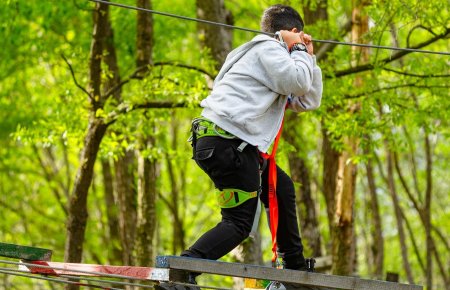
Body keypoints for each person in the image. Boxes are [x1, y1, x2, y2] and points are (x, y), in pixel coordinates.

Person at [157, 4, 322, 290]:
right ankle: (183, 268)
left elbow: (307, 100)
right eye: (299, 37)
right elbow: (298, 80)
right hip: (229, 143)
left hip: (227, 143)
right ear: (292, 33)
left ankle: (292, 267)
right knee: (238, 223)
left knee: (281, 188)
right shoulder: (268, 50)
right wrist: (297, 52)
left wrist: (309, 57)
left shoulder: (257, 56)